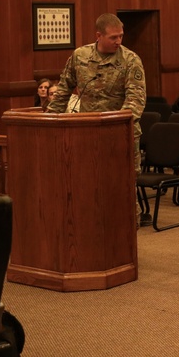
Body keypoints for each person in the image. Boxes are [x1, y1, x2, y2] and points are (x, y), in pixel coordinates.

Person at [49, 13, 146, 222]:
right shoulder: (80, 56)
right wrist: (49, 121)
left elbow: (135, 102)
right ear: (99, 35)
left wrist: (114, 125)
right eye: (113, 37)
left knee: (123, 187)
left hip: (121, 135)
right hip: (86, 134)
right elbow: (63, 90)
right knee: (87, 185)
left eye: (121, 36)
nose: (118, 41)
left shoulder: (130, 60)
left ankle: (128, 236)